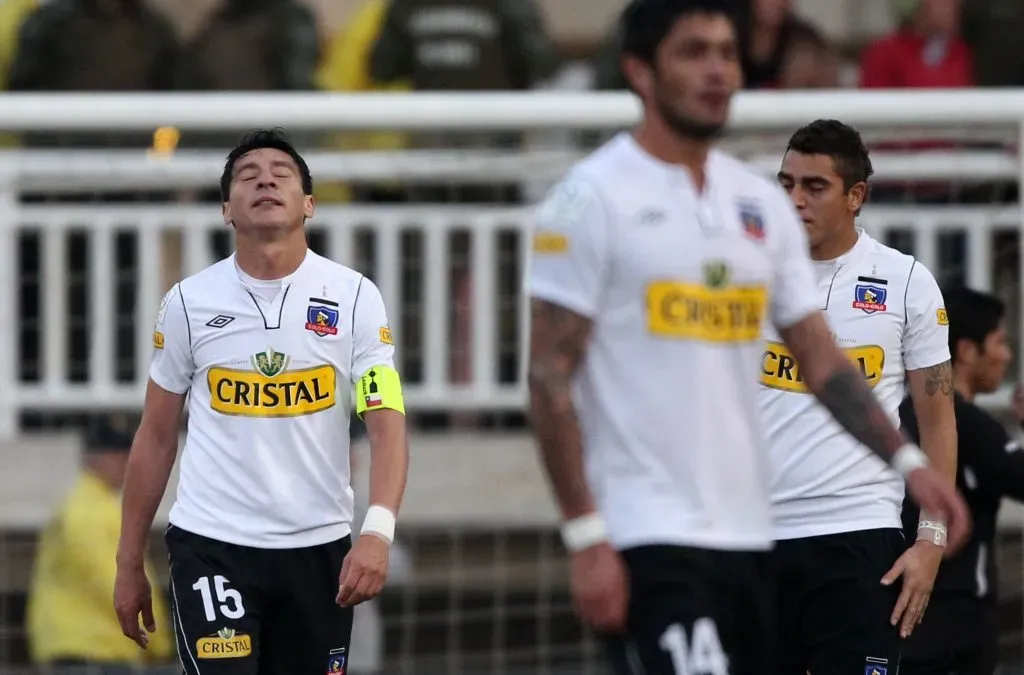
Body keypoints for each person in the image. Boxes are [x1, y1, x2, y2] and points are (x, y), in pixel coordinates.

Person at [524, 2, 969, 674]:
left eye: (728, 53)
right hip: (653, 531)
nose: (716, 71)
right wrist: (585, 533)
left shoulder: (757, 209)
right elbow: (549, 379)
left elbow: (820, 359)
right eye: (693, 52)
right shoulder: (587, 200)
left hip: (756, 537)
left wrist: (910, 467)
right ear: (640, 71)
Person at [112, 129, 410, 675]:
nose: (265, 180)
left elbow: (387, 425)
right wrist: (129, 560)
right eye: (248, 176)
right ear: (227, 209)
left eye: (282, 173)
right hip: (213, 547)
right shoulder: (187, 303)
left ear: (309, 204)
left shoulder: (356, 297)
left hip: (319, 548)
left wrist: (377, 532)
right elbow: (155, 435)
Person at [763, 119, 957, 675]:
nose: (794, 200)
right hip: (755, 534)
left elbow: (938, 423)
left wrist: (931, 542)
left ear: (856, 196)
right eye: (785, 183)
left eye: (814, 187)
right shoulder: (750, 277)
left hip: (858, 535)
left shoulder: (905, 282)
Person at [899, 286, 1022, 675]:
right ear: (968, 351)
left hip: (903, 614)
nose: (1007, 355)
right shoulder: (967, 423)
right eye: (1000, 341)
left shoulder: (899, 416)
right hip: (954, 623)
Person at [27, 414, 174, 674]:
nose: (127, 465)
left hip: (78, 652)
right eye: (122, 456)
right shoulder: (93, 512)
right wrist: (158, 642)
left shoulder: (78, 505)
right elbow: (120, 583)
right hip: (97, 656)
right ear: (104, 459)